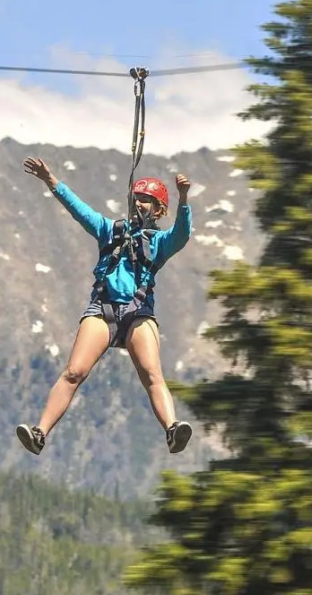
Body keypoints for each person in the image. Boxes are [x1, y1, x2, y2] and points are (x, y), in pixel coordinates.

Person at [15, 156, 194, 457]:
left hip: (138, 314)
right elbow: (79, 210)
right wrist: (51, 180)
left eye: (147, 201)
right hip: (103, 309)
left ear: (159, 210)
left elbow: (182, 234)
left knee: (152, 374)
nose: (139, 204)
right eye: (136, 198)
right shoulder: (109, 230)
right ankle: (39, 433)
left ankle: (172, 429)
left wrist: (184, 199)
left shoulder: (160, 242)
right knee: (74, 372)